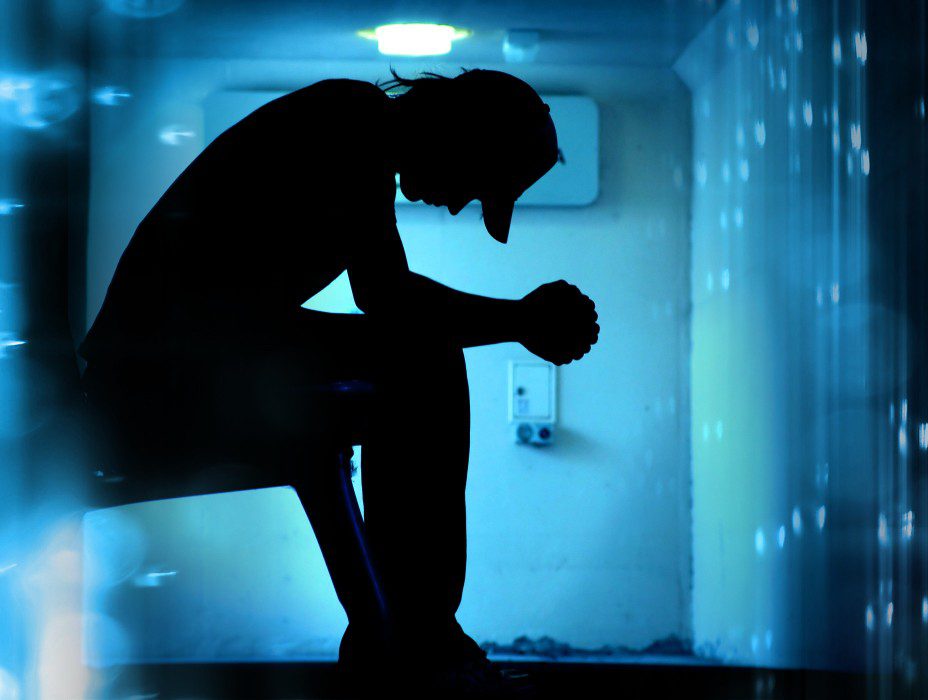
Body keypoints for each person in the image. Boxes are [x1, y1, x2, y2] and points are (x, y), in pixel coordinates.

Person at [79, 68, 600, 696]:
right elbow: (388, 297)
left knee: (419, 355)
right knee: (423, 356)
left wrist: (520, 320)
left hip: (169, 365)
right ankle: (420, 637)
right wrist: (522, 319)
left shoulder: (356, 123)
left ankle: (411, 633)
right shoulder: (353, 117)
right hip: (152, 377)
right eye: (480, 184)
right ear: (463, 135)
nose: (461, 204)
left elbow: (381, 303)